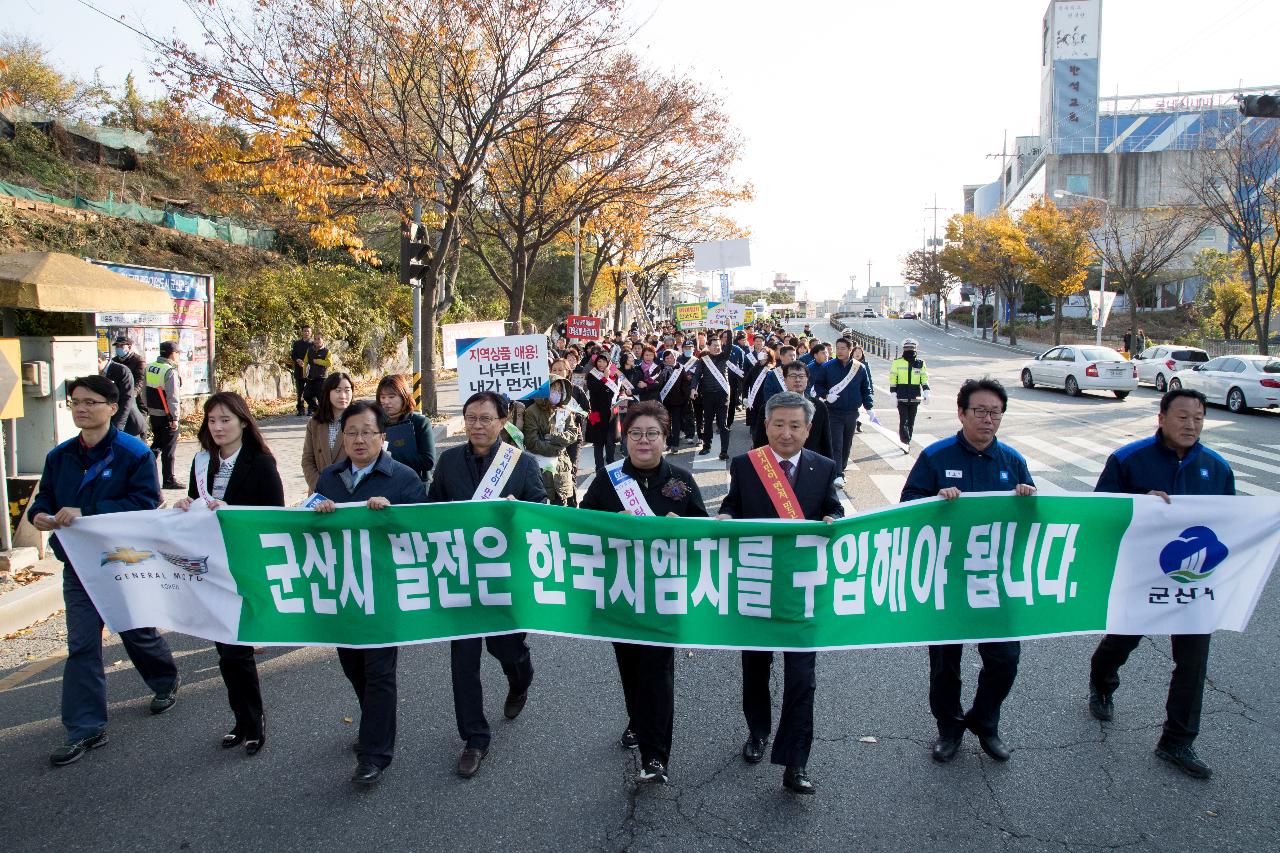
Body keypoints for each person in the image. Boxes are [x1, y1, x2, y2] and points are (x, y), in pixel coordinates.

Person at [29, 375, 180, 767]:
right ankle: (86, 728)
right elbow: (44, 497)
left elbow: (146, 502)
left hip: (122, 562)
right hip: (78, 566)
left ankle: (165, 677)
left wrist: (89, 513)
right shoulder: (60, 456)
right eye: (75, 401)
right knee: (82, 644)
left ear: (113, 408)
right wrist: (40, 514)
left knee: (135, 631)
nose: (81, 408)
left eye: (90, 402)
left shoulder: (133, 453)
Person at [1087, 388, 1233, 780]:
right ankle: (1102, 680)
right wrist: (1139, 501)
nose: (1191, 425)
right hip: (1141, 575)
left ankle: (1177, 740)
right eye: (1183, 417)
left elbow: (1233, 523)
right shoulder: (1128, 460)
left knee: (1193, 661)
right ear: (1162, 418)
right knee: (1121, 640)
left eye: (1199, 418)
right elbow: (1099, 513)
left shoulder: (1216, 468)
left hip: (1195, 581)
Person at [900, 377, 1036, 765]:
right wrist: (935, 500)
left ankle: (985, 720)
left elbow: (1033, 524)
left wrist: (1029, 501)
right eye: (980, 411)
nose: (987, 419)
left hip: (993, 579)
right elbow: (907, 505)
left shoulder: (1012, 461)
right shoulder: (937, 457)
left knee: (1005, 659)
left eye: (995, 412)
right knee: (946, 664)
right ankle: (949, 726)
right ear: (961, 413)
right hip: (947, 577)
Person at [718, 390, 843, 795]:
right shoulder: (746, 465)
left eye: (795, 426)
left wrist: (832, 517)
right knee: (755, 668)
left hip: (802, 592)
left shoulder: (823, 467)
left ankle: (796, 761)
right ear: (765, 427)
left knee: (802, 678)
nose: (786, 433)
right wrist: (726, 516)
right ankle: (757, 731)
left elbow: (833, 508)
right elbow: (733, 504)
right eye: (778, 424)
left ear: (808, 430)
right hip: (756, 585)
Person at [581, 401, 707, 784]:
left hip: (666, 595)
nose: (643, 441)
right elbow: (581, 523)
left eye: (652, 433)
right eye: (635, 433)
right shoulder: (608, 479)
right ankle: (637, 721)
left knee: (658, 671)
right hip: (620, 593)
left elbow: (705, 532)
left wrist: (680, 527)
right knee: (630, 667)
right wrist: (609, 522)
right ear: (624, 438)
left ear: (664, 437)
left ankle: (656, 757)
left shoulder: (682, 481)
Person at [429, 391, 546, 778]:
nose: (477, 426)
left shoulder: (522, 464)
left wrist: (519, 512)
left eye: (485, 419)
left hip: (506, 580)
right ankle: (474, 738)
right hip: (462, 578)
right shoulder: (447, 462)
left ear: (501, 422)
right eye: (471, 418)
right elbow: (430, 514)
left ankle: (520, 677)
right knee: (463, 663)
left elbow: (543, 513)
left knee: (506, 647)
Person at [313, 400, 427, 787]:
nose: (359, 440)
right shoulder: (329, 478)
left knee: (379, 671)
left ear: (383, 437)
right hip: (344, 591)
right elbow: (305, 530)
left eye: (367, 432)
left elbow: (423, 534)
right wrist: (317, 513)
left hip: (385, 591)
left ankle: (374, 753)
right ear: (342, 437)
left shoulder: (404, 479)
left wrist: (392, 515)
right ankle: (373, 721)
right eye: (351, 432)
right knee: (353, 665)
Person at [175, 392, 284, 755]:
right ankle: (241, 720)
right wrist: (186, 505)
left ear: (243, 421)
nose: (219, 427)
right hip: (211, 567)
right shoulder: (202, 462)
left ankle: (254, 723)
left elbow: (274, 516)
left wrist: (233, 511)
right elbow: (196, 503)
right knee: (225, 650)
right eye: (212, 421)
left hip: (243, 567)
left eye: (226, 420)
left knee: (237, 650)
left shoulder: (261, 463)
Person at [812, 337, 873, 472]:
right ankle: (837, 473)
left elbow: (866, 389)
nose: (839, 351)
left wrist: (869, 407)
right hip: (833, 411)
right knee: (836, 444)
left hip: (852, 412)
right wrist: (826, 395)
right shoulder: (827, 367)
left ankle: (841, 468)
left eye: (843, 348)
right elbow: (818, 384)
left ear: (850, 350)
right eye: (837, 348)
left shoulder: (860, 368)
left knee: (847, 444)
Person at [752, 362, 833, 459]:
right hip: (777, 463)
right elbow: (760, 441)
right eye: (793, 376)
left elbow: (826, 441)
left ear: (807, 380)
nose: (797, 380)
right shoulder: (770, 407)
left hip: (811, 464)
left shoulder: (819, 407)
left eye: (801, 376)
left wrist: (829, 469)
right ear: (785, 380)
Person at [523, 376, 581, 505]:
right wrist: (557, 448)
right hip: (541, 467)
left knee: (562, 507)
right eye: (553, 389)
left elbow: (573, 433)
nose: (556, 393)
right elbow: (532, 442)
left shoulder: (565, 410)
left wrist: (555, 438)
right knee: (541, 509)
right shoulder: (532, 411)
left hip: (562, 467)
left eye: (559, 390)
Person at [377, 374, 436, 482]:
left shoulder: (420, 423)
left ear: (404, 397)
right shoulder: (375, 423)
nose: (386, 401)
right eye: (382, 397)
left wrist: (390, 456)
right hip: (383, 484)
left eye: (391, 396)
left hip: (415, 483)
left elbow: (428, 461)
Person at [301, 371, 354, 492]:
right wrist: (320, 487)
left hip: (349, 492)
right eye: (337, 390)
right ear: (327, 393)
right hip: (320, 493)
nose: (343, 396)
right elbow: (308, 460)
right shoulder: (314, 423)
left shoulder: (359, 421)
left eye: (347, 390)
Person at [143, 341, 184, 490]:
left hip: (154, 413)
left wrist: (149, 409)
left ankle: (141, 472)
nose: (179, 356)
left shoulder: (150, 367)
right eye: (178, 353)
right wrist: (175, 418)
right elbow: (173, 397)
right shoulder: (169, 370)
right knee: (169, 449)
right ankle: (168, 480)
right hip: (167, 415)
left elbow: (144, 392)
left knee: (157, 444)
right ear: (172, 354)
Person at [690, 337, 733, 459]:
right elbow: (697, 376)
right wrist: (693, 388)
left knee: (722, 423)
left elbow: (729, 345)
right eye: (714, 345)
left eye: (718, 345)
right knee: (708, 422)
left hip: (722, 394)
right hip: (708, 394)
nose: (717, 347)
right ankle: (706, 446)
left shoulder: (724, 357)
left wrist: (729, 328)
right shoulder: (703, 360)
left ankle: (724, 451)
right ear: (708, 347)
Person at [889, 338, 930, 444]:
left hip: (915, 397)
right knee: (904, 421)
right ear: (903, 349)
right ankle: (905, 442)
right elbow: (893, 378)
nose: (909, 350)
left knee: (911, 421)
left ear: (915, 349)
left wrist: (926, 392)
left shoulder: (920, 363)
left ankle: (908, 440)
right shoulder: (897, 362)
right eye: (907, 348)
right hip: (901, 395)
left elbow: (924, 378)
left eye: (912, 348)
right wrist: (893, 393)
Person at [585, 354, 621, 472]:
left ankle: (611, 464)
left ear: (608, 363)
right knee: (598, 442)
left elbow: (617, 391)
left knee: (610, 442)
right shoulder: (592, 374)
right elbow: (593, 389)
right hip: (597, 412)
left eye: (604, 362)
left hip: (611, 413)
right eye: (599, 361)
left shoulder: (614, 375)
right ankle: (599, 468)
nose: (601, 364)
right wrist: (605, 378)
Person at [98, 350, 144, 437]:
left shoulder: (121, 370)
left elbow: (127, 400)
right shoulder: (99, 373)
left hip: (128, 423)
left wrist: (118, 426)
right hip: (109, 423)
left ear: (99, 361)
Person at [657, 348, 692, 452]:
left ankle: (675, 444)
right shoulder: (660, 368)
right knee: (666, 423)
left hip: (678, 400)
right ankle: (669, 442)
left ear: (675, 357)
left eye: (671, 357)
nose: (669, 359)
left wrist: (684, 396)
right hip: (664, 400)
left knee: (676, 422)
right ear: (663, 359)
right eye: (667, 358)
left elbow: (685, 384)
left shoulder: (680, 368)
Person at [302, 331, 332, 415]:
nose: (316, 341)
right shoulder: (310, 350)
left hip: (321, 378)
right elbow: (305, 362)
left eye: (319, 339)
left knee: (321, 398)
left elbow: (329, 363)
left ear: (323, 340)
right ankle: (317, 410)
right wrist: (304, 373)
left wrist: (318, 361)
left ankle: (325, 414)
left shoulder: (327, 351)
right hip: (310, 378)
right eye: (315, 339)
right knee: (306, 396)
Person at [290, 325, 314, 415]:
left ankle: (311, 409)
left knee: (310, 391)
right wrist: (297, 360)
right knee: (300, 391)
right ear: (302, 332)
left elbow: (315, 356)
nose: (306, 332)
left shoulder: (313, 344)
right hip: (299, 370)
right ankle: (300, 409)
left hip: (310, 371)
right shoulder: (297, 343)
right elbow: (293, 355)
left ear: (311, 333)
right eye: (305, 331)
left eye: (308, 331)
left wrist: (308, 363)